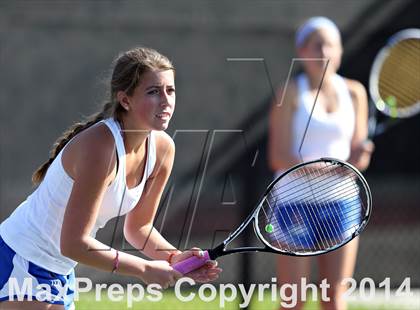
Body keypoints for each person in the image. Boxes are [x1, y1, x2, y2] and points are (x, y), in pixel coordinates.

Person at [0, 47, 221, 310]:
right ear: (125, 100)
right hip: (21, 255)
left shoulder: (163, 149)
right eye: (153, 92)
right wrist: (143, 269)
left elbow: (139, 228)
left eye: (170, 90)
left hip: (59, 268)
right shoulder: (101, 147)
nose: (165, 101)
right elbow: (73, 243)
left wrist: (174, 258)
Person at [268, 17, 374, 310]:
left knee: (334, 300)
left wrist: (359, 158)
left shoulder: (355, 93)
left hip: (342, 204)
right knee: (293, 302)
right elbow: (278, 156)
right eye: (317, 45)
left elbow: (357, 157)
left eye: (331, 45)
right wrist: (330, 170)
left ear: (340, 51)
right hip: (294, 204)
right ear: (302, 51)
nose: (325, 51)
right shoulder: (289, 93)